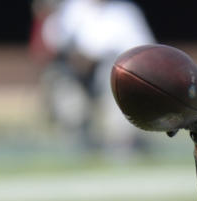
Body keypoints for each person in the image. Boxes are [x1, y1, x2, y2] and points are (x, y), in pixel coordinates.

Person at [30, 0, 154, 153]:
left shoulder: (124, 11)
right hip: (74, 69)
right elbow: (53, 41)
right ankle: (76, 140)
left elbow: (141, 48)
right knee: (61, 81)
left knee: (119, 75)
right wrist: (76, 57)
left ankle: (121, 140)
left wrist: (101, 58)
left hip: (110, 70)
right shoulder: (71, 8)